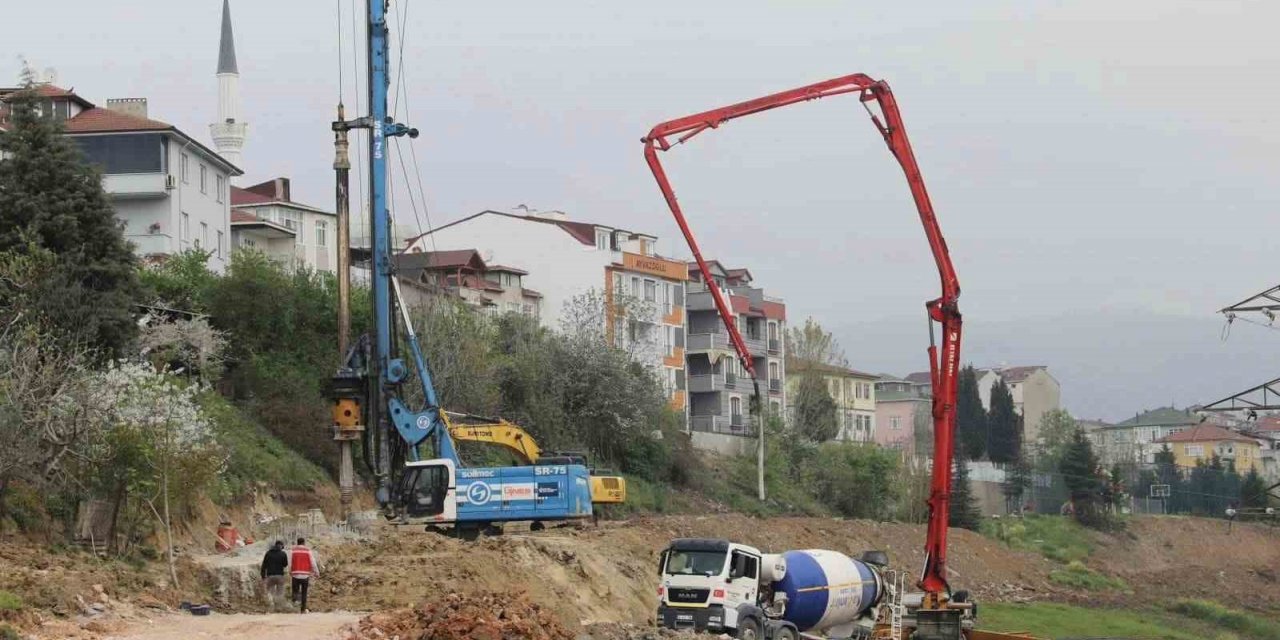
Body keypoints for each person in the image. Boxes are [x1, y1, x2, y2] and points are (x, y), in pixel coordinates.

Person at [289, 537, 320, 613]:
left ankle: (295, 608)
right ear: (304, 543)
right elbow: (313, 562)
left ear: (297, 542)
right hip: (305, 575)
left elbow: (290, 561)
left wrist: (290, 570)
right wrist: (316, 572)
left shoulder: (293, 551)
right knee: (304, 593)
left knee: (295, 592)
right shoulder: (308, 551)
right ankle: (302, 609)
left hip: (295, 575)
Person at [259, 540, 289, 611]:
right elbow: (285, 564)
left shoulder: (268, 553)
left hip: (270, 576)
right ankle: (278, 607)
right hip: (280, 576)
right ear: (281, 546)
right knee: (280, 592)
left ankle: (271, 606)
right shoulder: (283, 553)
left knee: (270, 591)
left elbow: (264, 565)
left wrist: (263, 576)